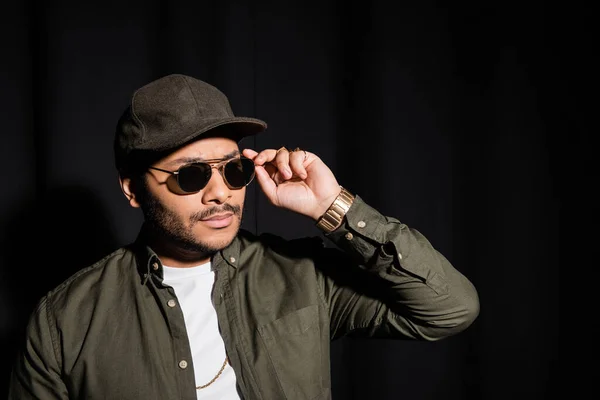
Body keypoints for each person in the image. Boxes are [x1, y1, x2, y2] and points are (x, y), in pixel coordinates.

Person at [8, 73, 479, 400]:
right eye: (191, 176)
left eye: (234, 170)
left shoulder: (301, 277)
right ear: (133, 189)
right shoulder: (64, 322)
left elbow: (450, 309)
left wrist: (331, 207)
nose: (221, 193)